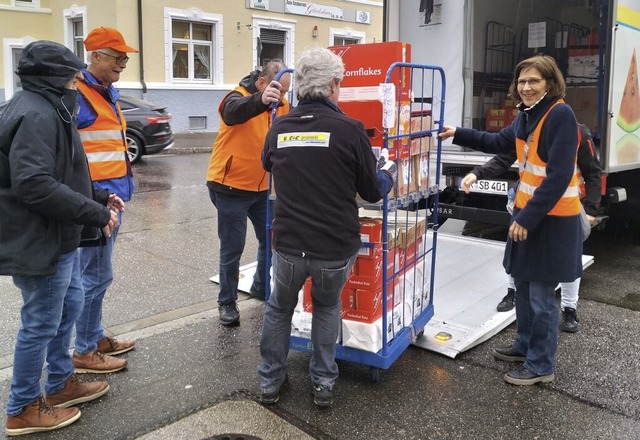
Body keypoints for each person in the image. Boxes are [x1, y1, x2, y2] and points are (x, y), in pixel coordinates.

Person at [258, 47, 396, 407]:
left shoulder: (280, 126)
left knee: (278, 309)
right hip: (334, 246)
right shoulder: (349, 130)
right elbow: (371, 191)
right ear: (334, 85)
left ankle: (270, 382)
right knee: (326, 306)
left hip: (289, 243)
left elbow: (266, 162)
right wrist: (388, 172)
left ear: (300, 85)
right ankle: (322, 384)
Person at [439, 55, 583, 386]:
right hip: (529, 214)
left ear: (550, 83)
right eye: (522, 81)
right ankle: (524, 346)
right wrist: (457, 133)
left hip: (552, 220)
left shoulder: (560, 114)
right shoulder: (527, 115)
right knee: (522, 284)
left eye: (534, 81)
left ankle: (541, 364)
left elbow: (559, 175)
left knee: (542, 295)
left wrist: (527, 218)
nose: (527, 87)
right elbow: (497, 143)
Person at [1, 40, 119, 436]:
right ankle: (22, 407)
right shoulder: (36, 113)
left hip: (56, 237)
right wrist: (95, 213)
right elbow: (33, 183)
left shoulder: (46, 106)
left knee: (67, 307)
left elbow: (62, 170)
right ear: (54, 78)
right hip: (41, 241)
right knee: (40, 324)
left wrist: (98, 195)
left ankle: (60, 384)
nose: (75, 82)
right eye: (70, 76)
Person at [461, 123, 602, 332]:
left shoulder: (577, 131)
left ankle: (569, 309)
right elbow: (504, 157)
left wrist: (590, 209)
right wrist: (478, 173)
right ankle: (512, 293)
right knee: (517, 249)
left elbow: (592, 171)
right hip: (527, 203)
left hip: (566, 207)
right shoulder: (527, 127)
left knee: (568, 259)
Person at [206, 61, 291, 327]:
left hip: (264, 188)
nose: (283, 96)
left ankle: (260, 287)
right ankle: (227, 302)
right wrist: (261, 101)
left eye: (287, 92)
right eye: (279, 89)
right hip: (229, 185)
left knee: (271, 239)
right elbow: (232, 113)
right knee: (233, 247)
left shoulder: (284, 105)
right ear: (263, 83)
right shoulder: (237, 96)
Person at [73, 26, 137, 374]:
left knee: (97, 275)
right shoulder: (78, 95)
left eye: (125, 58)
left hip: (109, 199)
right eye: (118, 57)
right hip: (94, 204)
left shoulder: (105, 92)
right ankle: (84, 350)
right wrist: (95, 200)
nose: (124, 63)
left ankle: (94, 337)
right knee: (95, 276)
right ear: (95, 56)